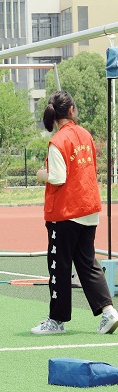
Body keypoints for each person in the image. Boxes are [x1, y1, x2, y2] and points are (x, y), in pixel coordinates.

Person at [31, 90, 118, 335]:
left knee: (59, 267)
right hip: (88, 209)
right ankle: (109, 312)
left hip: (66, 213)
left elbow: (58, 177)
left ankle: (56, 321)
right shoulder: (86, 135)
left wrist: (42, 175)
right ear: (71, 110)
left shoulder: (58, 141)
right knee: (87, 263)